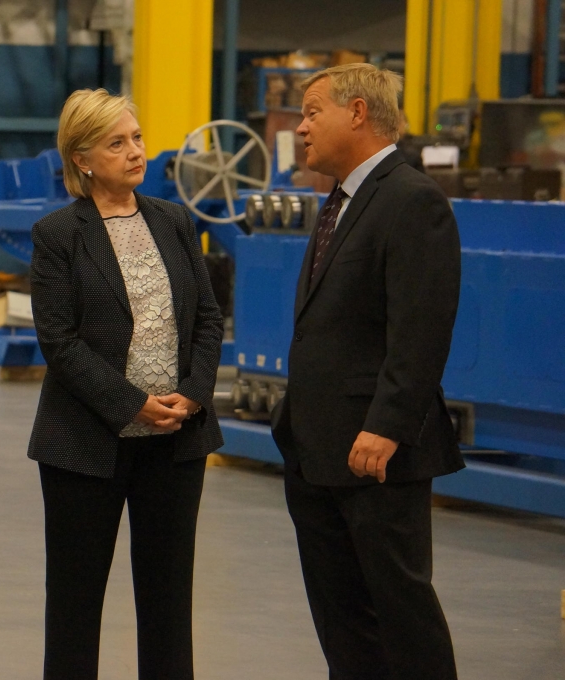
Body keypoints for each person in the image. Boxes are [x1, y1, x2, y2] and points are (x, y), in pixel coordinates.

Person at [270, 63, 462, 680]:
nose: (301, 128)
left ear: (356, 113)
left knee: (400, 612)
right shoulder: (340, 202)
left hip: (375, 452)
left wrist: (387, 425)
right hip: (317, 447)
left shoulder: (412, 200)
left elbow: (421, 329)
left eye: (311, 113)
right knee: (342, 617)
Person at [28, 88, 224, 680]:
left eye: (137, 138)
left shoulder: (173, 220)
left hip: (176, 443)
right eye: (118, 143)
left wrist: (192, 392)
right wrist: (132, 405)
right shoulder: (59, 233)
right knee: (75, 606)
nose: (136, 152)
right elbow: (58, 340)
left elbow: (208, 319)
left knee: (169, 604)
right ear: (82, 158)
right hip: (86, 445)